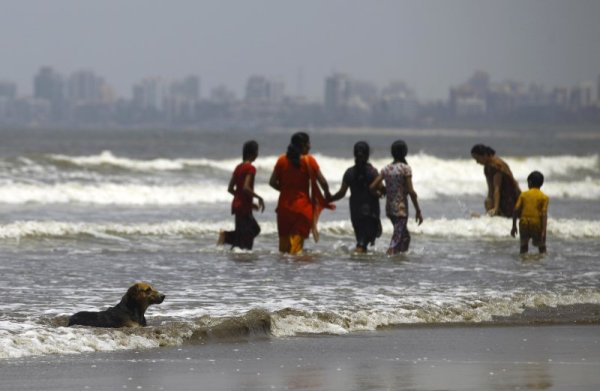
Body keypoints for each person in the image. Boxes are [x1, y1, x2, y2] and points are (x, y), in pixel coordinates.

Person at [269, 132, 333, 254]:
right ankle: (296, 273)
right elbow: (323, 182)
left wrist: (285, 190)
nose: (310, 146)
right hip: (302, 209)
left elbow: (272, 182)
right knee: (296, 251)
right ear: (303, 145)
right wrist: (327, 194)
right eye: (308, 143)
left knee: (284, 250)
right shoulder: (309, 161)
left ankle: (283, 273)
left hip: (284, 209)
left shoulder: (281, 160)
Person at [370, 140, 423, 255]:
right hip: (401, 210)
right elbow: (411, 191)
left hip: (390, 209)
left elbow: (372, 187)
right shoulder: (405, 168)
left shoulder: (386, 169)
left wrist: (381, 193)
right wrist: (418, 210)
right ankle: (390, 261)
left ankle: (399, 261)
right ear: (404, 153)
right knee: (395, 241)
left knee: (405, 238)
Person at [328, 141, 382, 253]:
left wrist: (329, 198)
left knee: (361, 240)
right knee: (362, 244)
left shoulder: (349, 172)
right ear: (367, 155)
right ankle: (357, 259)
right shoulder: (372, 172)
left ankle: (360, 266)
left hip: (356, 212)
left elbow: (341, 193)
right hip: (370, 212)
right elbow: (381, 188)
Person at [218, 140, 264, 250]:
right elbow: (246, 187)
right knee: (252, 231)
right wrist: (259, 197)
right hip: (243, 207)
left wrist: (248, 202)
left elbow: (230, 188)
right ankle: (227, 237)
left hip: (238, 205)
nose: (257, 154)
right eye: (257, 151)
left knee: (247, 231)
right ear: (252, 153)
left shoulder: (238, 167)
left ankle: (232, 244)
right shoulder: (250, 168)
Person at [471, 144, 521, 217]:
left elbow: (497, 189)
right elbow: (491, 189)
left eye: (477, 159)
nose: (477, 162)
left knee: (493, 207)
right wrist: (490, 204)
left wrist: (496, 208)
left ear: (484, 155)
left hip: (510, 197)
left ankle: (495, 214)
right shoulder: (487, 167)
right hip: (502, 197)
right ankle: (488, 217)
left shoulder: (496, 165)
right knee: (488, 201)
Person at [511, 171, 549, 254]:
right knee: (542, 247)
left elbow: (516, 210)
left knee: (523, 247)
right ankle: (541, 264)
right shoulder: (544, 197)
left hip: (524, 222)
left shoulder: (523, 195)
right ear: (541, 184)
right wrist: (543, 231)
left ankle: (524, 263)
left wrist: (514, 226)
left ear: (529, 182)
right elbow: (544, 214)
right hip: (536, 223)